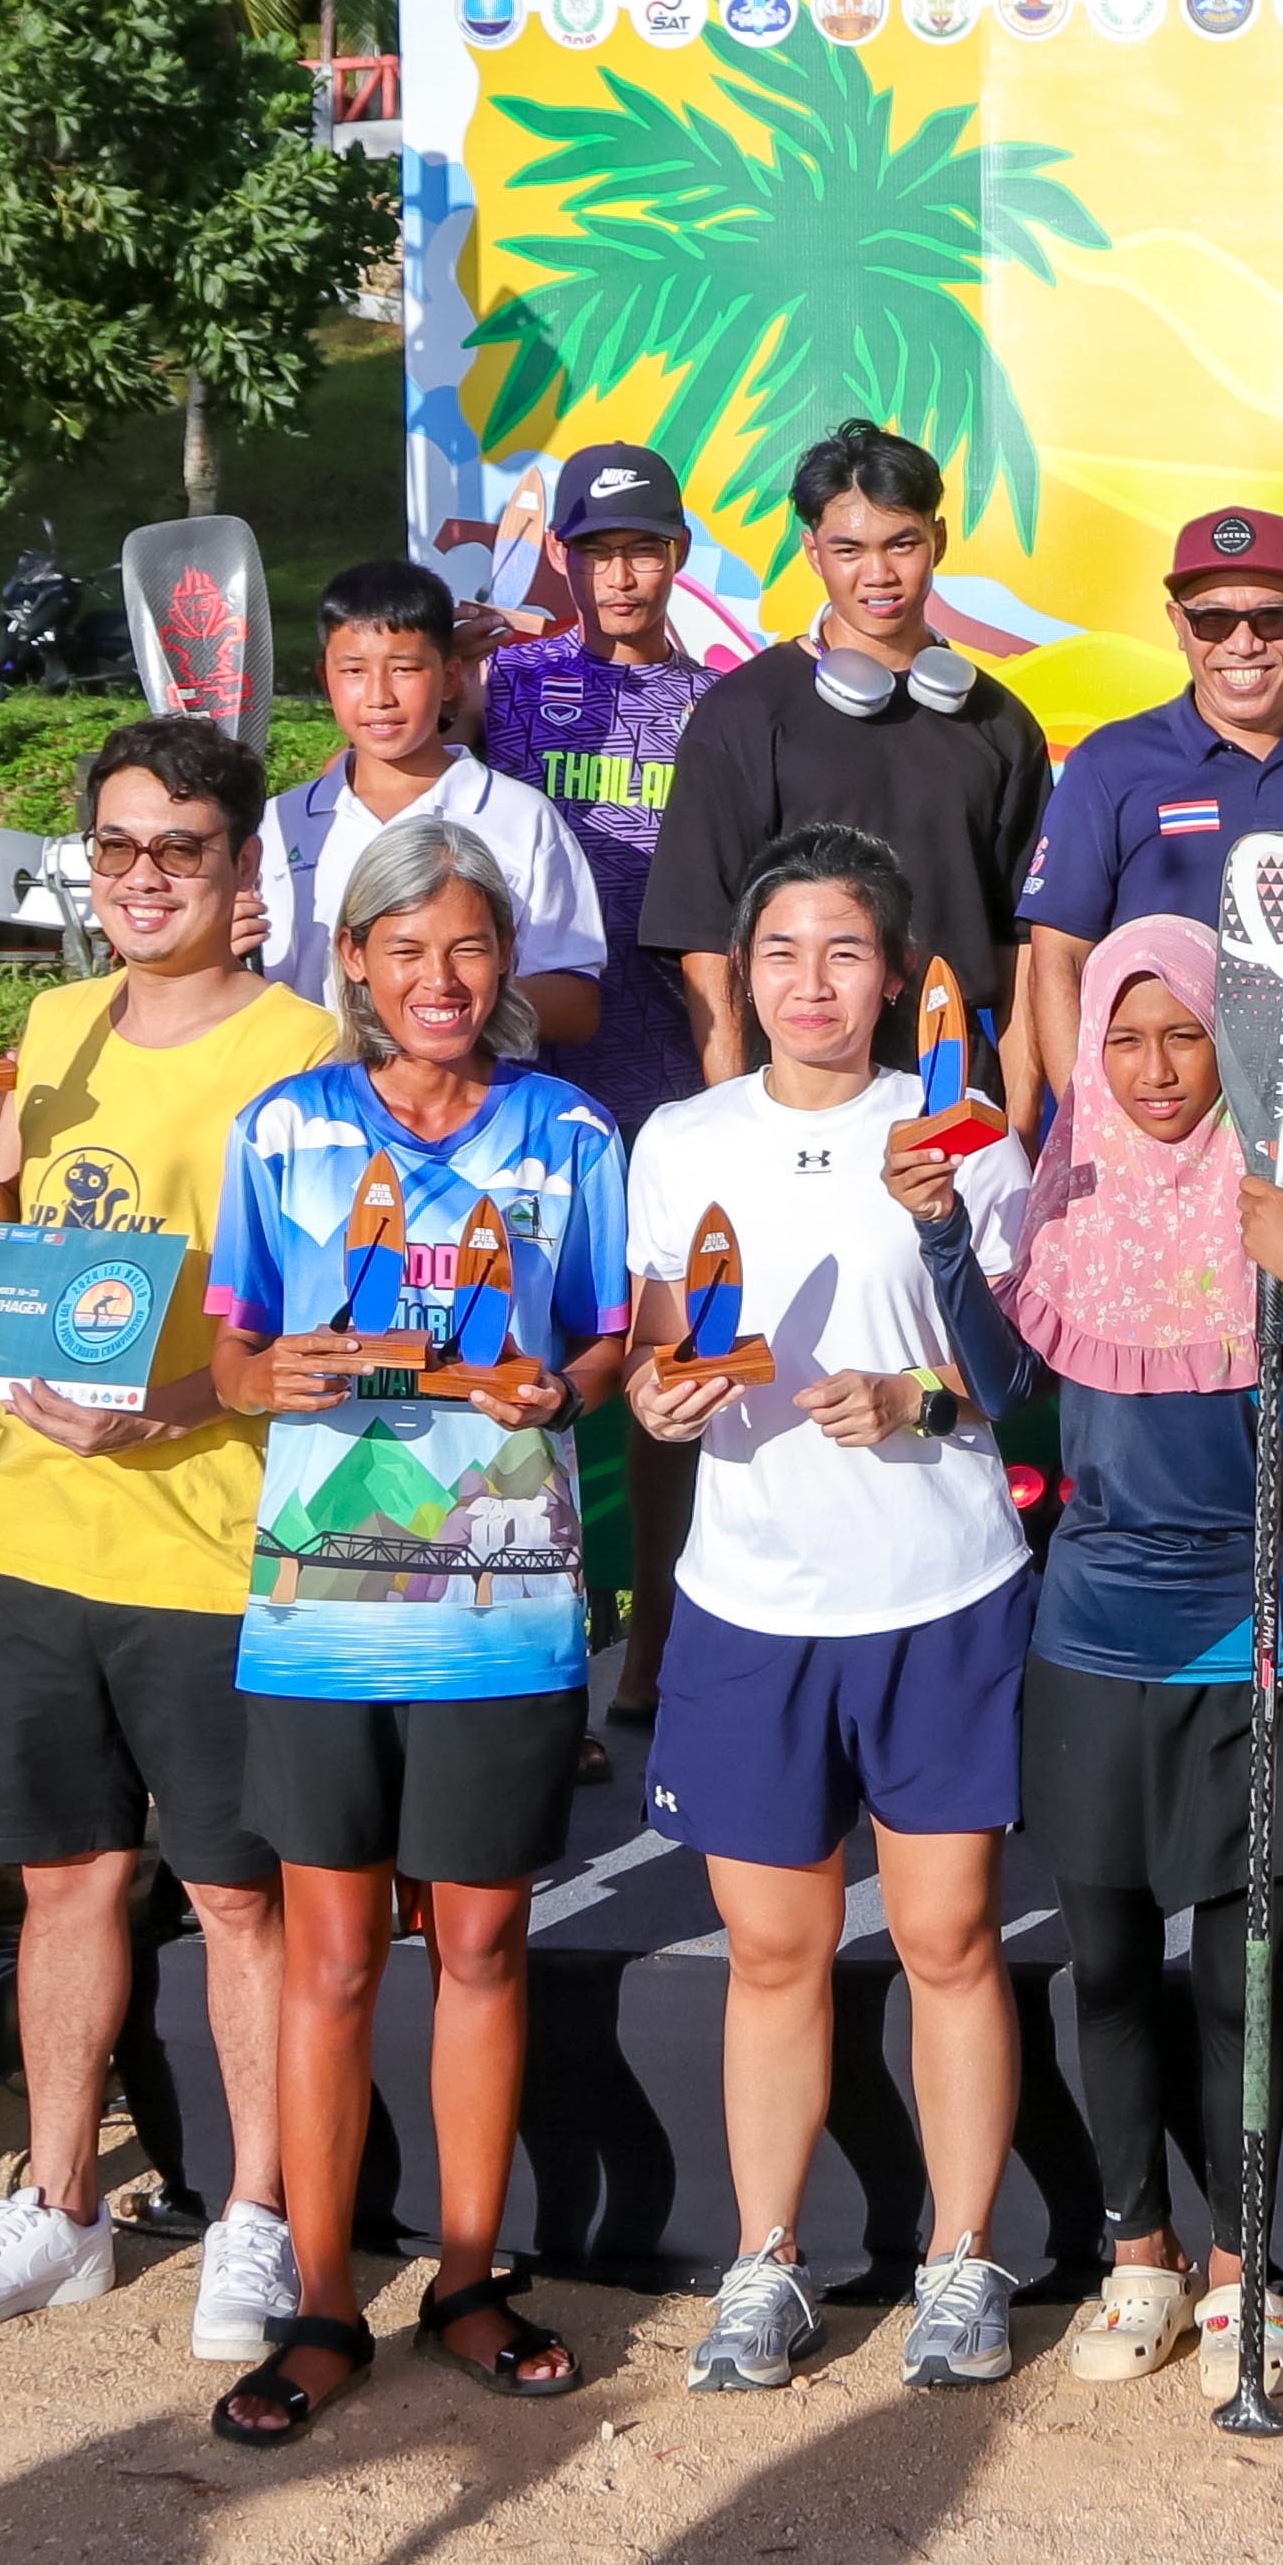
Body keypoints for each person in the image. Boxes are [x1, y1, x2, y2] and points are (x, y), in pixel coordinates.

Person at [0, 718, 323, 2361]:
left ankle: (256, 2215)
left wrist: (172, 1411)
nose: (145, 877)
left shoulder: (304, 1049)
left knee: (235, 1898)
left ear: (240, 866)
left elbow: (317, 1327)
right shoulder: (54, 1024)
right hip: (33, 1532)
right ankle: (61, 2203)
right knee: (63, 1883)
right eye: (119, 847)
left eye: (180, 849)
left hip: (211, 1541)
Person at [200, 816, 634, 2445]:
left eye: (468, 946)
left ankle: (464, 2278)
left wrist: (562, 1389)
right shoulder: (284, 1128)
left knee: (481, 1948)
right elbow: (235, 1356)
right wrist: (268, 1374)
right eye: (406, 950)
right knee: (327, 1959)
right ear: (356, 963)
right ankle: (322, 2304)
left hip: (503, 1605)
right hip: (323, 1602)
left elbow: (608, 1340)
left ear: (504, 958)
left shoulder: (569, 1132)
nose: (440, 978)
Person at [627, 827, 1044, 2398]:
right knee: (772, 1947)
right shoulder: (682, 1138)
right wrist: (658, 1396)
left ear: (896, 977)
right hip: (749, 1604)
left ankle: (962, 2257)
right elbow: (665, 1340)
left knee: (947, 1938)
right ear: (742, 973)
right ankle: (767, 2263)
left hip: (941, 1591)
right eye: (784, 952)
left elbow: (1020, 1380)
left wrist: (911, 1397)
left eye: (846, 952)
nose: (813, 983)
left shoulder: (964, 1136)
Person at [997, 914, 1283, 2399]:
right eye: (1127, 1038)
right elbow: (998, 1381)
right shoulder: (1069, 1185)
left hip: (1248, 1635)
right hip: (1088, 1639)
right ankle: (1139, 2254)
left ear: (1237, 1044)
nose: (1158, 1069)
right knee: (1105, 1963)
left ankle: (1244, 2275)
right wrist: (941, 1236)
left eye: (1189, 1036)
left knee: (1242, 1979)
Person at [473, 443, 724, 1742]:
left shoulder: (720, 702)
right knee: (528, 1359)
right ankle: (545, 1648)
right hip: (531, 1074)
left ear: (677, 556)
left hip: (672, 1074)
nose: (622, 573)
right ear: (564, 559)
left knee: (666, 1367)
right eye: (598, 550)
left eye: (644, 549)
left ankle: (660, 1638)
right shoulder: (512, 682)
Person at [652, 420, 1053, 1107]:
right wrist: (738, 1115)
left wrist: (1017, 1124)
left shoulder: (999, 723)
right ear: (812, 552)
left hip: (955, 1089)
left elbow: (1023, 945)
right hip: (795, 1091)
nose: (878, 575)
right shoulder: (744, 713)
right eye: (849, 549)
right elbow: (706, 939)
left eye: (902, 544)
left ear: (938, 540)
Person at [1015, 503, 1283, 1127]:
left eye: (1270, 618)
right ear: (1178, 624)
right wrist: (1095, 1131)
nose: (1243, 644)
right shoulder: (1110, 764)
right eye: (1213, 620)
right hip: (1170, 1146)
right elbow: (1059, 962)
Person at [257, 555, 608, 1049]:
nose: (379, 696)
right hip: (312, 1091)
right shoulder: (278, 824)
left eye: (404, 669)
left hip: (467, 1092)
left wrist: (443, 1007)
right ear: (325, 678)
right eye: (354, 670)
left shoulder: (520, 818)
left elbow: (575, 1003)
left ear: (450, 678)